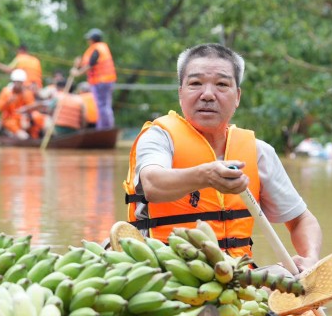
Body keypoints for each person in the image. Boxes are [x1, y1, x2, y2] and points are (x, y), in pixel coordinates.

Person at [122, 43, 321, 268]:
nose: (207, 95)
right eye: (195, 84)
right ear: (180, 94)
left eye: (222, 84)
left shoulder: (257, 151)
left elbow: (301, 220)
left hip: (239, 278)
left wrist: (310, 259)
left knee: (287, 278)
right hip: (165, 272)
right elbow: (152, 185)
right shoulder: (159, 137)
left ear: (237, 97)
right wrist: (206, 175)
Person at [70, 28, 116, 130]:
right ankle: (105, 127)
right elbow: (88, 62)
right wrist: (79, 63)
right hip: (107, 81)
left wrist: (77, 73)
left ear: (92, 39)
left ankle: (104, 128)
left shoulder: (96, 48)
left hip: (100, 82)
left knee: (102, 106)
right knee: (105, 106)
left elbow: (91, 64)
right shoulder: (102, 48)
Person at [0, 69, 45, 140]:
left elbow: (31, 107)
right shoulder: (6, 92)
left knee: (38, 117)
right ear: (13, 82)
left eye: (20, 82)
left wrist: (25, 114)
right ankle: (20, 135)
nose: (18, 84)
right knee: (21, 134)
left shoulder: (27, 93)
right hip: (10, 119)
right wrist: (8, 102)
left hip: (24, 118)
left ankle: (36, 136)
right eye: (17, 82)